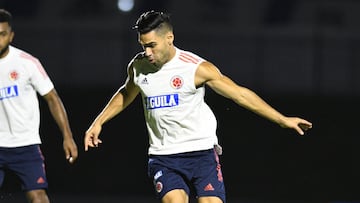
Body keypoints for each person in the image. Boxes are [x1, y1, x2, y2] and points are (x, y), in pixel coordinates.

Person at [84, 10, 312, 203]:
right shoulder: (139, 66)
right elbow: (126, 93)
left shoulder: (195, 68)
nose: (148, 53)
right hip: (164, 156)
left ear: (169, 38)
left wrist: (281, 119)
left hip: (201, 153)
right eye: (144, 46)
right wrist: (98, 122)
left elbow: (240, 95)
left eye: (152, 45)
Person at [0, 9, 78, 203]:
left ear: (11, 35)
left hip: (25, 145)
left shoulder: (27, 63)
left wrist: (67, 137)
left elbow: (52, 98)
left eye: (2, 34)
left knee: (38, 197)